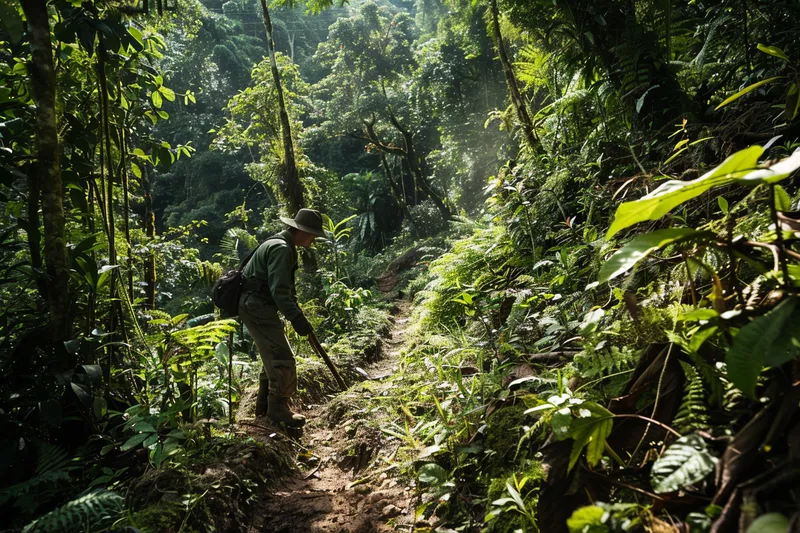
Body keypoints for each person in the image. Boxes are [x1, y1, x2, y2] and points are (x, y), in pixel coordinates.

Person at [238, 208, 325, 427]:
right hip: (257, 306)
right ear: (302, 232)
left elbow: (281, 290)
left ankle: (263, 407)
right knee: (282, 357)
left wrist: (297, 316)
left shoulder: (278, 243)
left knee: (272, 354)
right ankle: (277, 410)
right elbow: (280, 292)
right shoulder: (282, 249)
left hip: (255, 305)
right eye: (312, 235)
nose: (313, 239)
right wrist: (297, 318)